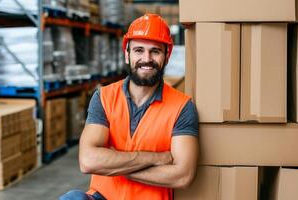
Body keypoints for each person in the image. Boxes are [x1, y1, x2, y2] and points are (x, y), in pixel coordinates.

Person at [60, 13, 199, 200]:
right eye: (139, 50)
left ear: (167, 57)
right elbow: (88, 161)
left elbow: (183, 175)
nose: (146, 59)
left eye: (155, 51)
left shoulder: (182, 107)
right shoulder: (104, 97)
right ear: (127, 54)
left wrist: (113, 164)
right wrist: (157, 158)